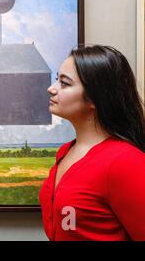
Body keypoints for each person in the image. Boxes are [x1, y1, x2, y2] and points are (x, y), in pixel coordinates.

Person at [39, 44, 145, 241]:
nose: (51, 89)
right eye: (56, 79)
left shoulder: (126, 162)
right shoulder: (65, 152)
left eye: (65, 83)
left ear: (95, 97)